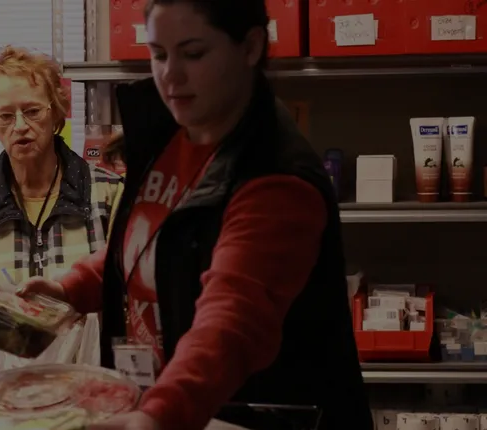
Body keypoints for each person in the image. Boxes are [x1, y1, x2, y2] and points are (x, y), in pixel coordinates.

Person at [20, 1, 373, 430]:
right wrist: (71, 289)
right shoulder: (171, 134)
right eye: (159, 54)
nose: (170, 74)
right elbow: (156, 245)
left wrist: (159, 414)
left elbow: (232, 323)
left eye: (193, 53)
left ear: (251, 47)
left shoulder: (277, 178)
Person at [0, 46, 123, 376]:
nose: (20, 126)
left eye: (32, 111)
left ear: (56, 112)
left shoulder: (108, 193)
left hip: (87, 382)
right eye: (5, 116)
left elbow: (126, 300)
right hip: (4, 389)